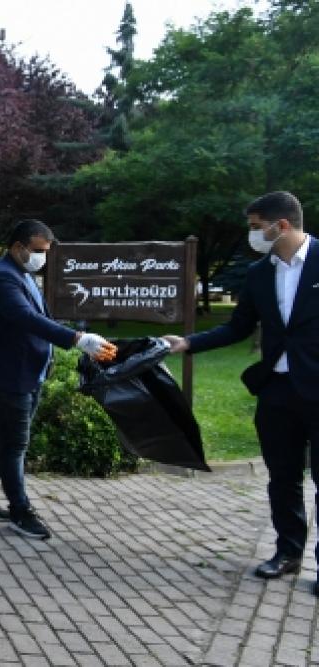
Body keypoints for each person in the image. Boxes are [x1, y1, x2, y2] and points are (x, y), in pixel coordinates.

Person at [163, 191, 319, 594]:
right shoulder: (258, 275)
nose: (252, 235)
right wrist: (188, 343)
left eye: (255, 227)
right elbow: (237, 328)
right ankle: (287, 553)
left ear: (280, 225)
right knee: (281, 477)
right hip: (277, 392)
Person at [0, 220, 113, 540]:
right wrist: (76, 338)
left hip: (28, 370)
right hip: (6, 373)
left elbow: (41, 317)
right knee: (16, 442)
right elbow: (24, 318)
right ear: (18, 247)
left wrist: (75, 333)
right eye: (39, 251)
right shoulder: (1, 277)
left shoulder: (22, 274)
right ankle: (20, 511)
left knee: (7, 436)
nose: (43, 257)